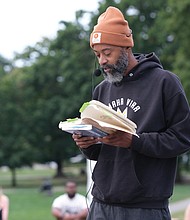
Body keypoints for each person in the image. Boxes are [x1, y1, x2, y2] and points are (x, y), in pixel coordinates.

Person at [72, 6, 190, 220]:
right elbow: (100, 152)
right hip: (101, 205)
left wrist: (133, 141)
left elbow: (182, 139)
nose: (102, 61)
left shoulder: (165, 83)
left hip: (145, 208)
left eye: (107, 53)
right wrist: (86, 144)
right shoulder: (102, 89)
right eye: (97, 54)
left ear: (125, 47)